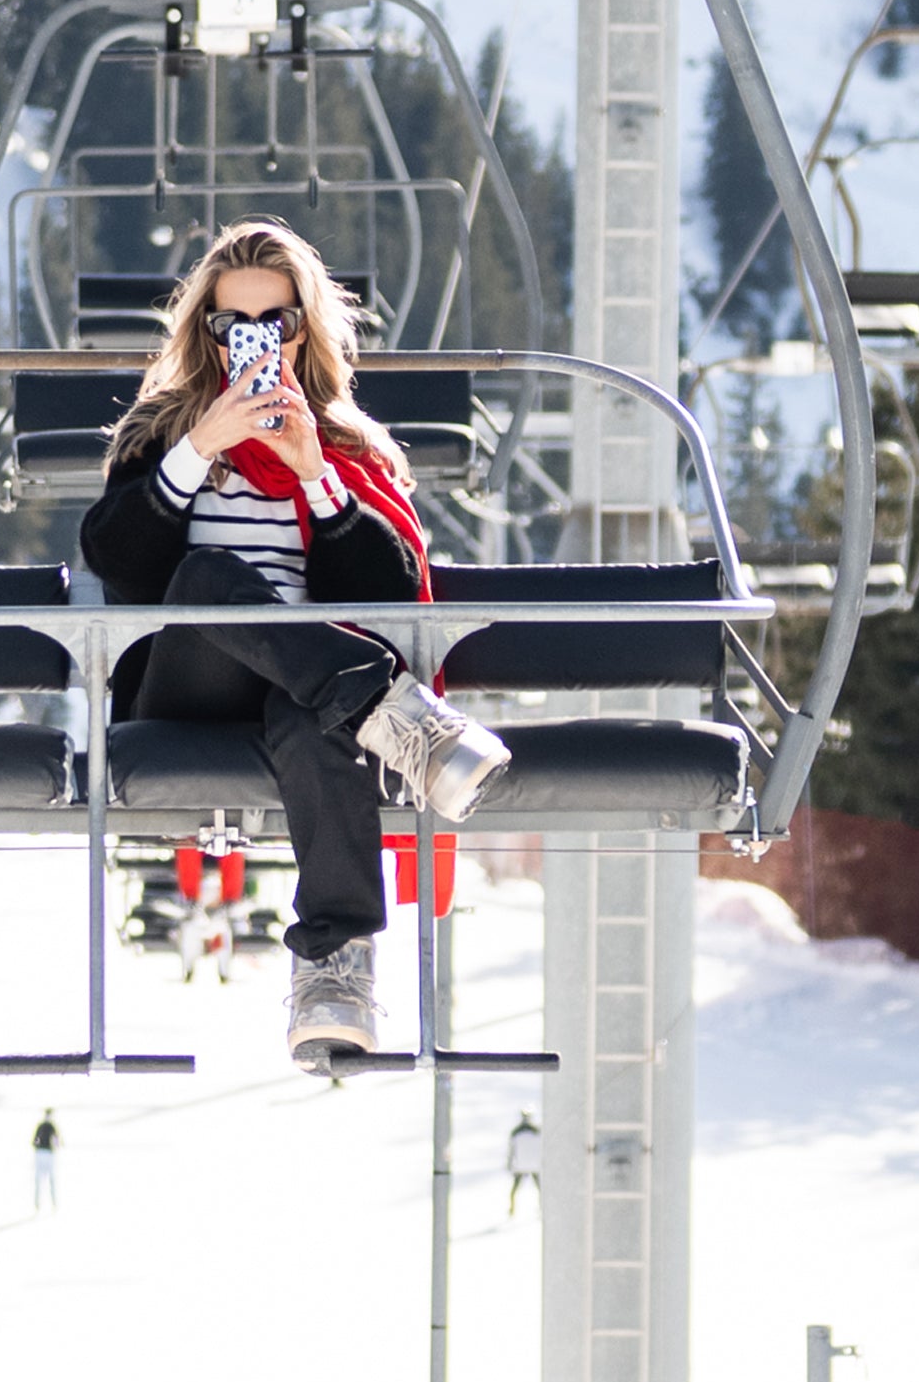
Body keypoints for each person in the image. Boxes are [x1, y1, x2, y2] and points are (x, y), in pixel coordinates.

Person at [81, 220, 510, 1074]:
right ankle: (398, 718)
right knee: (207, 576)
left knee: (313, 715)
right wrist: (203, 446)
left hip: (302, 686)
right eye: (230, 323)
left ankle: (334, 976)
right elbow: (117, 556)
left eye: (272, 323)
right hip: (189, 679)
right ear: (203, 330)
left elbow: (385, 590)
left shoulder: (345, 444)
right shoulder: (161, 433)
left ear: (303, 327)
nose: (252, 340)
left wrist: (314, 473)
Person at [507, 1108, 541, 1215]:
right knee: (539, 1189)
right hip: (534, 1165)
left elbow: (511, 1150)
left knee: (514, 1191)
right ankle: (541, 1207)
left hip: (520, 1165)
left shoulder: (516, 1132)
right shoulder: (536, 1131)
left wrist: (510, 1163)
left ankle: (512, 1209)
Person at [32, 1109, 60, 1211]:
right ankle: (52, 1203)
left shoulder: (41, 1126)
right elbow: (56, 1141)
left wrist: (37, 1145)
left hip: (40, 1153)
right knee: (50, 1179)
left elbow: (36, 1139)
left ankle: (38, 1202)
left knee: (39, 1179)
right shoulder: (51, 1126)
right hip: (47, 1153)